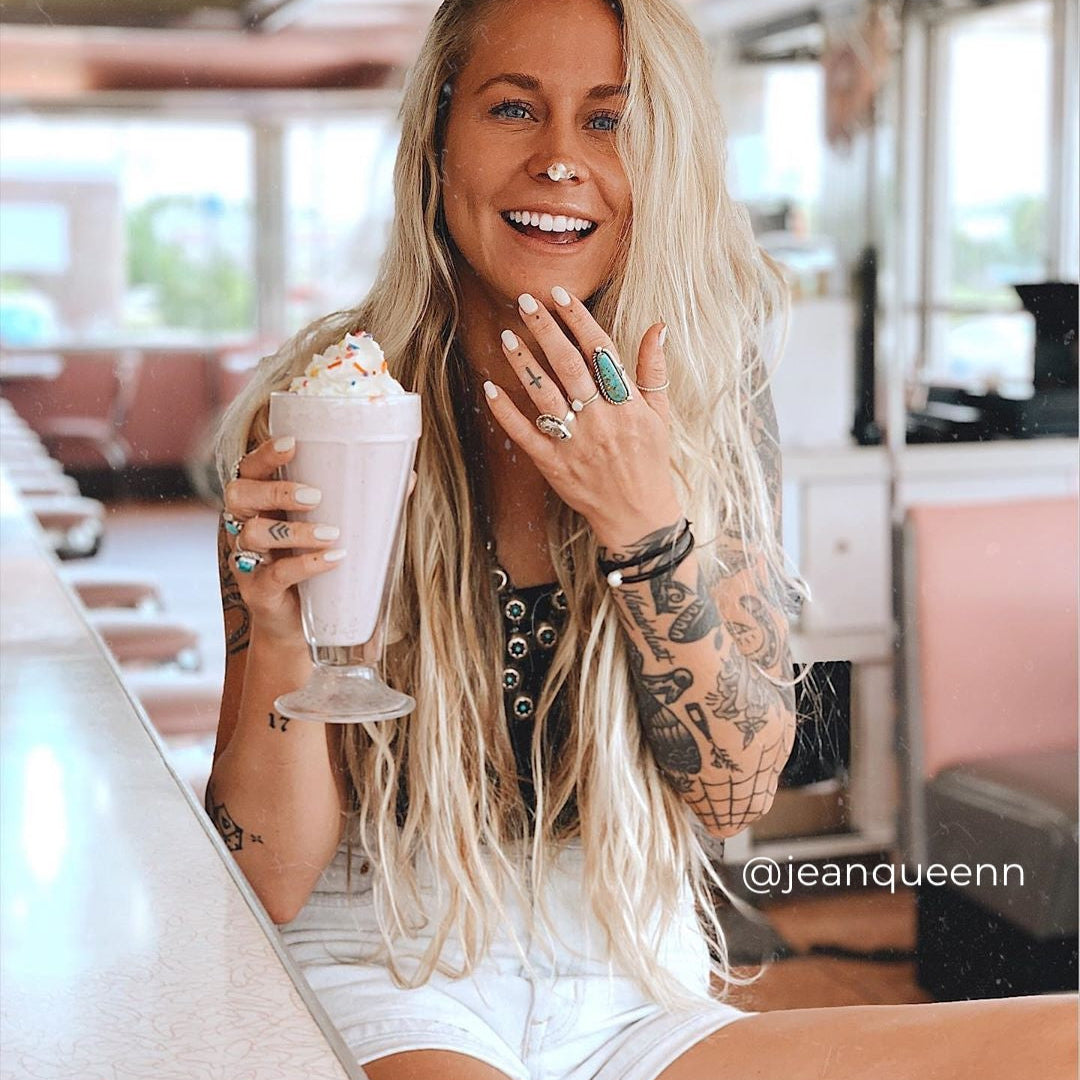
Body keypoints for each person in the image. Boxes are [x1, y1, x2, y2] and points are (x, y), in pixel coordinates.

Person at [203, 1, 1077, 1077]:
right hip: (389, 972)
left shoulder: (710, 410)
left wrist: (644, 523)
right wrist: (283, 636)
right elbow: (269, 880)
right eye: (513, 108)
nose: (561, 159)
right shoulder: (324, 416)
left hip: (632, 986)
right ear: (436, 143)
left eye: (611, 120)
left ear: (662, 158)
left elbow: (734, 794)